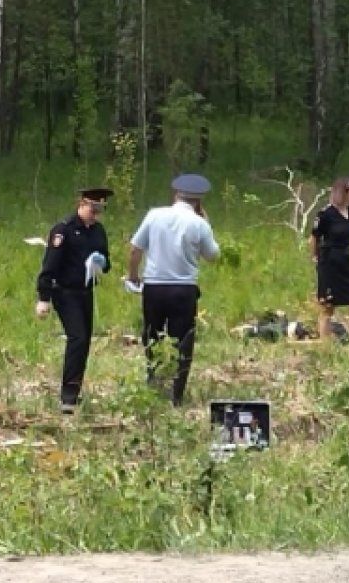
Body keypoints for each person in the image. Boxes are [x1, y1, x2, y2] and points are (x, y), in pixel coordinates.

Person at [126, 174, 220, 405]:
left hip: (154, 286)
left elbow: (135, 249)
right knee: (183, 339)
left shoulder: (154, 215)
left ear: (175, 194)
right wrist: (206, 223)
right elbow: (213, 255)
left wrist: (133, 276)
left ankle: (153, 378)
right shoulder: (199, 223)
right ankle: (177, 392)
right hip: (183, 289)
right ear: (199, 202)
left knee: (151, 333)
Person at [36, 187, 113, 413]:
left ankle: (74, 391)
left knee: (85, 341)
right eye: (93, 208)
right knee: (77, 338)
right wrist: (44, 298)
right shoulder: (64, 230)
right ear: (82, 203)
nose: (95, 214)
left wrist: (101, 263)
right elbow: (50, 265)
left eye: (100, 210)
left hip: (86, 291)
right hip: (65, 291)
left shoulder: (98, 231)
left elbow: (107, 263)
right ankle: (67, 397)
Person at [309, 176, 349, 342]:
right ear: (344, 193)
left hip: (347, 261)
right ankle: (325, 346)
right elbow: (314, 238)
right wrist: (315, 257)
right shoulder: (325, 214)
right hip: (330, 262)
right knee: (327, 308)